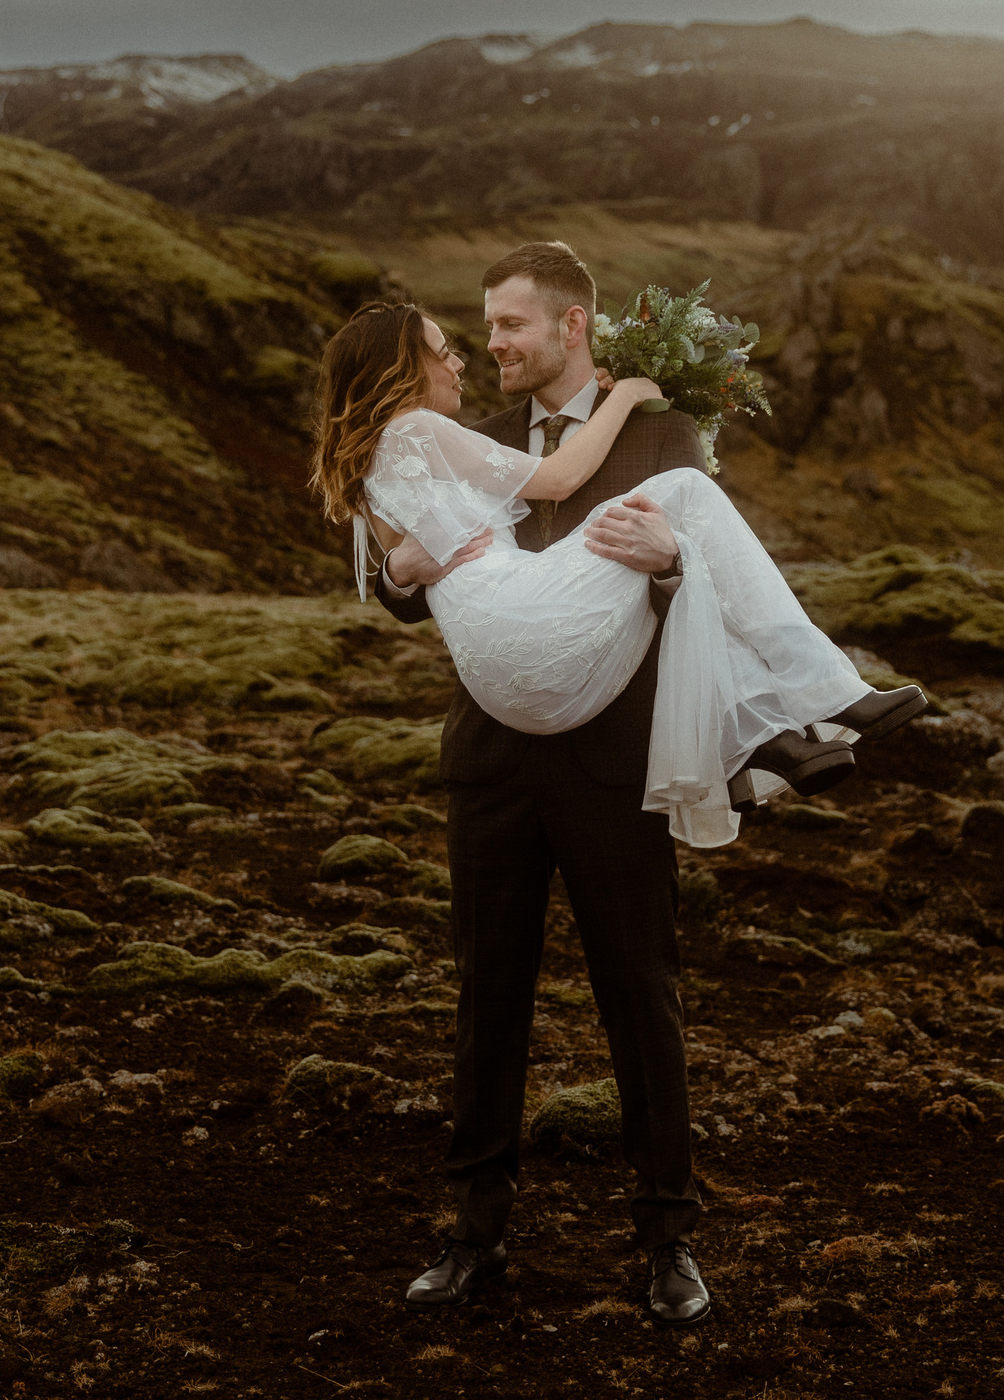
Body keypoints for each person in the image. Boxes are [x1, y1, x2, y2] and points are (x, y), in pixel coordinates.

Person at [307, 242, 926, 1326]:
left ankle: (666, 1240)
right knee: (486, 995)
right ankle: (472, 1234)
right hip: (497, 754)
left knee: (639, 995)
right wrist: (400, 563)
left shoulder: (660, 434)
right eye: (481, 331)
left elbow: (709, 565)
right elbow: (414, 580)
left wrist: (670, 562)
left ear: (571, 327)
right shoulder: (477, 435)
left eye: (509, 327)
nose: (491, 345)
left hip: (614, 756)